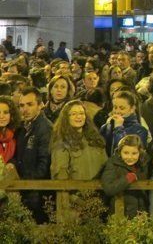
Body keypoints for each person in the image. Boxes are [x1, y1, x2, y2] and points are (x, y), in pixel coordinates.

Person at [14, 87, 52, 223]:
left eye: (30, 104)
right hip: (25, 191)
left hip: (37, 194)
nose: (25, 109)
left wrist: (23, 182)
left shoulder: (45, 128)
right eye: (22, 105)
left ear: (40, 105)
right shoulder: (23, 127)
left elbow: (44, 165)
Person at [50, 100, 107, 180]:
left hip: (99, 190)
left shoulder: (96, 139)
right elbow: (60, 176)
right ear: (66, 118)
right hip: (75, 191)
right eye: (73, 114)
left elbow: (106, 167)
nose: (78, 116)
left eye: (81, 113)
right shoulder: (62, 143)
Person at [101, 134, 148, 218]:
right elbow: (108, 188)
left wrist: (143, 212)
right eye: (126, 153)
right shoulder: (113, 164)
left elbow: (142, 193)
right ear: (120, 152)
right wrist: (127, 179)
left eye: (134, 153)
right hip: (119, 213)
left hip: (138, 215)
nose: (130, 157)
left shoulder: (142, 165)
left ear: (139, 153)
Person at [100, 91, 149, 156]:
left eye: (122, 108)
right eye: (115, 107)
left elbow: (123, 154)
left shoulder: (140, 131)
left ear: (132, 109)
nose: (117, 111)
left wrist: (118, 128)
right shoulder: (106, 127)